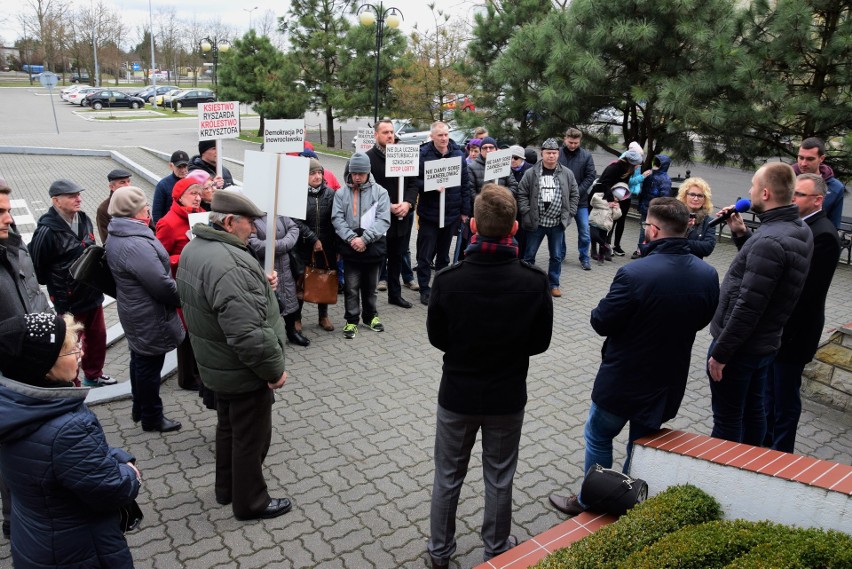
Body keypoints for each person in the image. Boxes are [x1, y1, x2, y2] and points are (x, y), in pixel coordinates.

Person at [549, 197, 719, 516]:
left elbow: (601, 321)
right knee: (639, 446)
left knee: (598, 435)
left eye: (645, 226)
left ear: (653, 230)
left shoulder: (634, 273)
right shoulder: (707, 275)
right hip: (667, 381)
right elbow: (702, 319)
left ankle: (591, 499)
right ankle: (624, 500)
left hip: (623, 379)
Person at [427, 184, 552, 568]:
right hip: (506, 395)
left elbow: (437, 338)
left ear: (474, 227)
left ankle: (439, 553)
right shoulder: (534, 281)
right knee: (499, 477)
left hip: (458, 395)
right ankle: (497, 549)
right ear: (514, 228)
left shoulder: (448, 279)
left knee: (447, 476)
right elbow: (540, 342)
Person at [176, 190, 291, 521]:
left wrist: (259, 285)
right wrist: (273, 371)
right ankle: (251, 502)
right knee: (251, 438)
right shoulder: (230, 263)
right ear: (228, 222)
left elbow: (224, 304)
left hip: (217, 364)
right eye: (250, 223)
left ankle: (226, 489)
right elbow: (248, 334)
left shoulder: (196, 248)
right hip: (241, 368)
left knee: (228, 428)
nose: (254, 230)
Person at [0, 312, 141, 568]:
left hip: (35, 539)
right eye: (71, 349)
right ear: (44, 366)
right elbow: (112, 490)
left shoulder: (12, 407)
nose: (81, 353)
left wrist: (110, 456)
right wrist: (130, 471)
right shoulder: (69, 428)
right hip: (78, 550)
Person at [707, 163, 812, 445]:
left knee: (728, 420)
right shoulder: (799, 228)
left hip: (741, 348)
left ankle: (719, 478)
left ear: (765, 193)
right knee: (754, 412)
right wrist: (742, 235)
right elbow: (768, 275)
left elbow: (749, 306)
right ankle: (752, 468)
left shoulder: (770, 240)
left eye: (752, 186)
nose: (749, 191)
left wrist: (721, 353)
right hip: (764, 344)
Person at [765, 173, 840, 452]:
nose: (792, 198)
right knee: (768, 395)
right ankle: (764, 446)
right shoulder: (796, 225)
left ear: (818, 200)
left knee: (784, 398)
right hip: (777, 330)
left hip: (795, 333)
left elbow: (805, 293)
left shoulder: (824, 235)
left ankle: (781, 453)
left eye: (799, 195)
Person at [106, 186, 185, 432]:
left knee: (140, 360)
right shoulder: (135, 243)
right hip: (148, 314)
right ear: (137, 212)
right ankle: (152, 416)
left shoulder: (121, 233)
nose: (149, 211)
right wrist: (185, 297)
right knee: (149, 366)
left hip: (137, 310)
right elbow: (160, 284)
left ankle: (140, 407)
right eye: (145, 208)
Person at [0, 178, 53, 539]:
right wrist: (24, 326)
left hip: (35, 367)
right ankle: (15, 521)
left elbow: (34, 294)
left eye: (7, 209)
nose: (7, 218)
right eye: (0, 212)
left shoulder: (15, 245)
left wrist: (52, 332)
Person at [29, 179, 115, 388]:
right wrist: (60, 287)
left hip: (92, 292)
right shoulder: (46, 230)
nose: (78, 199)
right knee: (71, 344)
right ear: (56, 201)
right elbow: (37, 266)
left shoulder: (84, 218)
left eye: (78, 194)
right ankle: (72, 381)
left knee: (97, 337)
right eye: (72, 196)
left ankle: (94, 374)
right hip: (67, 299)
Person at [155, 174, 208, 391]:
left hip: (202, 280)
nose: (197, 198)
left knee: (201, 328)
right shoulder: (167, 223)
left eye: (199, 193)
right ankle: (187, 378)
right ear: (179, 197)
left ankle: (202, 371)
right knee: (187, 332)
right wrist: (185, 255)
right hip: (181, 284)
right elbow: (160, 258)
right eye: (192, 194)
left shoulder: (203, 215)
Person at [409, 121, 471, 306]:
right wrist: (431, 185)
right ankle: (425, 289)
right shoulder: (423, 155)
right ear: (432, 137)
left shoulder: (458, 154)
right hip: (429, 215)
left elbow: (465, 184)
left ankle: (441, 287)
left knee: (444, 256)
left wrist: (464, 212)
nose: (444, 139)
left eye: (446, 135)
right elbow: (414, 181)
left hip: (451, 214)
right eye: (440, 135)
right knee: (425, 255)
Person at [332, 153, 391, 339]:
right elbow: (337, 218)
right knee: (351, 287)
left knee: (371, 286)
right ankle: (351, 320)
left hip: (372, 247)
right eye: (354, 173)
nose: (357, 177)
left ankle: (371, 316)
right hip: (350, 247)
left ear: (368, 172)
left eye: (361, 173)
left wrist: (364, 239)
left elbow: (383, 219)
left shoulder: (381, 192)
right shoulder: (341, 193)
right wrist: (351, 238)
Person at [517, 138, 579, 298]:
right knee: (529, 255)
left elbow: (574, 194)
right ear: (541, 153)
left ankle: (554, 284)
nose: (551, 156)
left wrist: (570, 212)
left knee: (556, 256)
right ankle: (527, 283)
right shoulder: (531, 173)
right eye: (548, 153)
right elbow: (522, 192)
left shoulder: (567, 173)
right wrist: (525, 211)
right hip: (535, 222)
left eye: (554, 153)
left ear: (558, 154)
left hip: (557, 223)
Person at [366, 119, 418, 308]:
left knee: (397, 257)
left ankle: (395, 295)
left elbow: (413, 183)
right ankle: (369, 302)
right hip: (378, 221)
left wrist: (408, 203)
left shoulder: (404, 155)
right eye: (385, 132)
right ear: (376, 135)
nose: (389, 135)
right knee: (375, 260)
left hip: (400, 218)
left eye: (391, 132)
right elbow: (365, 189)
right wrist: (386, 207)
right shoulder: (368, 159)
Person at [249, 214, 310, 347]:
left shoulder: (278, 212)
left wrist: (278, 245)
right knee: (268, 301)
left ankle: (292, 332)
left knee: (290, 297)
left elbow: (293, 228)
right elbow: (254, 244)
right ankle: (271, 337)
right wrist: (282, 245)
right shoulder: (251, 216)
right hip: (264, 267)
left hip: (286, 265)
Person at [293, 158, 337, 332]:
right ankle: (297, 318)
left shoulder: (331, 194)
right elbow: (295, 220)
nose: (317, 176)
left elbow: (336, 220)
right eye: (312, 173)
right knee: (301, 281)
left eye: (319, 173)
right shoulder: (298, 194)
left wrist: (336, 246)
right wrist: (313, 239)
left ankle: (323, 316)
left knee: (324, 279)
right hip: (304, 246)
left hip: (327, 246)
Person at [591, 150, 643, 260]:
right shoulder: (614, 168)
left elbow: (622, 185)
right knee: (597, 223)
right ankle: (594, 249)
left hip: (612, 198)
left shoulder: (628, 171)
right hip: (601, 197)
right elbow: (605, 183)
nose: (638, 166)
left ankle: (603, 251)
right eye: (637, 164)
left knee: (605, 225)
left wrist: (618, 198)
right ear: (631, 163)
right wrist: (611, 198)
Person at [558, 128, 597, 270]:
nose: (573, 145)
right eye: (570, 142)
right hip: (560, 200)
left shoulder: (586, 156)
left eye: (576, 143)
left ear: (580, 141)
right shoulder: (557, 154)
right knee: (559, 229)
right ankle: (560, 254)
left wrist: (576, 192)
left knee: (585, 231)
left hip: (580, 201)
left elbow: (590, 176)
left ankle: (584, 258)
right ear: (565, 139)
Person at [793, 137, 845, 229]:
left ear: (821, 158)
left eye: (810, 159)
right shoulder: (786, 178)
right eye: (801, 157)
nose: (803, 163)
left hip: (816, 239)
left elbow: (833, 224)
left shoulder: (836, 187)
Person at [632, 154, 672, 258]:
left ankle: (644, 250)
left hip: (655, 209)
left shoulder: (663, 179)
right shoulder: (651, 175)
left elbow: (665, 197)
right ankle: (641, 250)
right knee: (644, 229)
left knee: (650, 230)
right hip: (646, 207)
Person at [676, 177, 716, 259]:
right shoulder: (675, 214)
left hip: (693, 265)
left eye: (700, 196)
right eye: (692, 194)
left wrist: (680, 242)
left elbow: (707, 248)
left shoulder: (708, 221)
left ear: (705, 199)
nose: (695, 198)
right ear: (685, 195)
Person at [152, 150, 190, 223]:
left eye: (185, 166)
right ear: (171, 166)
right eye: (179, 167)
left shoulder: (193, 182)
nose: (183, 170)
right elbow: (157, 212)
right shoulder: (163, 185)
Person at [95, 168, 132, 244]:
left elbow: (151, 228)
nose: (127, 185)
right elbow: (106, 239)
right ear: (112, 187)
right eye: (122, 182)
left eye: (128, 181)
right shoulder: (104, 209)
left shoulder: (138, 202)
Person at [588, 186, 623, 264]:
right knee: (593, 236)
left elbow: (615, 217)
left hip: (605, 225)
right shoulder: (601, 196)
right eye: (615, 196)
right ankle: (605, 245)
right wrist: (607, 204)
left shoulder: (616, 204)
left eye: (618, 198)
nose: (616, 199)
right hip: (595, 221)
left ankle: (601, 257)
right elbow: (593, 201)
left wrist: (617, 209)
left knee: (602, 239)